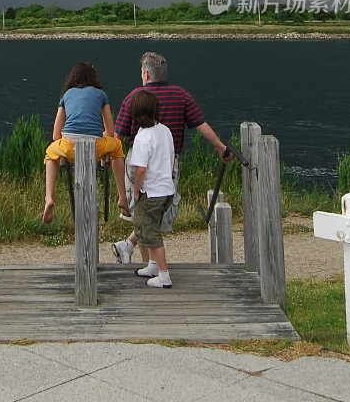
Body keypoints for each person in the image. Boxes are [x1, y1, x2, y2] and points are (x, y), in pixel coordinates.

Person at [112, 51, 229, 264]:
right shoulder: (181, 95)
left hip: (138, 160)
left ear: (146, 74)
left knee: (143, 211)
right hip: (168, 162)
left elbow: (117, 136)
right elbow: (201, 125)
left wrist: (106, 154)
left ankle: (137, 254)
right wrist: (221, 148)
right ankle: (142, 258)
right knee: (156, 212)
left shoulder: (134, 97)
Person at [42, 62, 130, 224]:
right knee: (117, 146)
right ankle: (122, 197)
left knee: (50, 154)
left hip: (69, 146)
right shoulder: (101, 95)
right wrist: (102, 146)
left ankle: (49, 197)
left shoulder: (66, 95)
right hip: (95, 145)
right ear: (93, 78)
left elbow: (56, 134)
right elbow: (110, 132)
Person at [129, 90, 175, 287]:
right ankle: (152, 266)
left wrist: (136, 191)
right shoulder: (165, 130)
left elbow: (140, 169)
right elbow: (172, 158)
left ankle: (164, 276)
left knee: (151, 233)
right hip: (167, 190)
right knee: (153, 227)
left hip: (151, 192)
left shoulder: (142, 137)